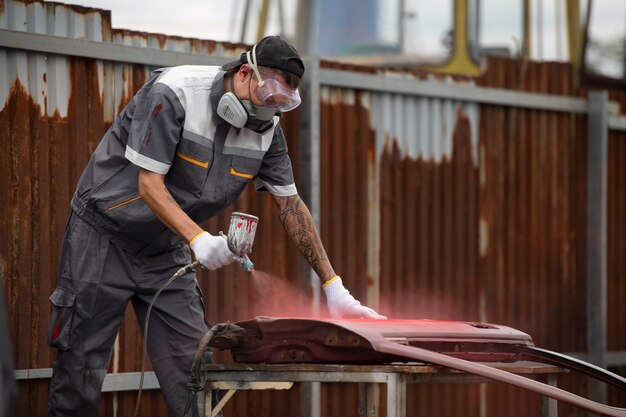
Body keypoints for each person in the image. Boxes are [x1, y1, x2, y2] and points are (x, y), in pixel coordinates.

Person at [46, 35, 385, 417]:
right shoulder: (173, 93)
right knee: (79, 373)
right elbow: (149, 185)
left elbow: (291, 206)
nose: (274, 109)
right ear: (244, 73)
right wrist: (198, 239)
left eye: (284, 103)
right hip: (102, 237)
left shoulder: (268, 132)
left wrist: (332, 285)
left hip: (165, 251)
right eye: (270, 95)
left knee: (195, 371)